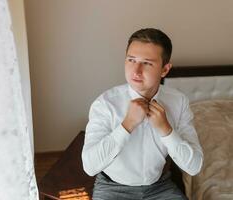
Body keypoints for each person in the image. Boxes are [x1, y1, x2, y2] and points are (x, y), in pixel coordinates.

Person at [81, 28, 203, 200]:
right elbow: (90, 166)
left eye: (147, 63)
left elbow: (194, 166)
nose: (136, 71)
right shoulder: (105, 104)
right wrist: (127, 125)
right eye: (131, 60)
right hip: (112, 188)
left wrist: (166, 130)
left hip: (160, 188)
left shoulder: (178, 102)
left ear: (165, 69)